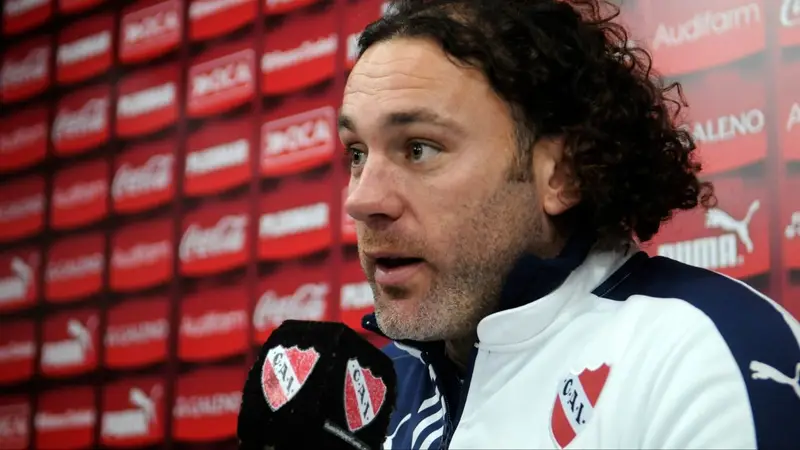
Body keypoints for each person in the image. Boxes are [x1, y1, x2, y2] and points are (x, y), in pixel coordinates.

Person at [337, 0, 800, 448]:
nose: (361, 200)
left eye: (418, 149)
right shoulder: (373, 393)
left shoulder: (700, 359)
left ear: (561, 174)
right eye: (357, 153)